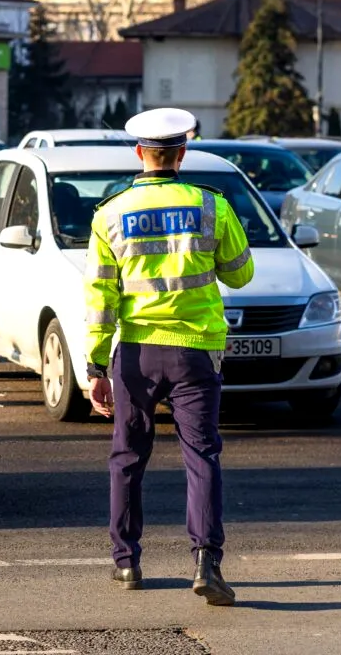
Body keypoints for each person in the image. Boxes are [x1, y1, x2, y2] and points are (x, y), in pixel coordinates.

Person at [84, 108, 254, 607]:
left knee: (128, 458)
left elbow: (100, 296)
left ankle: (127, 563)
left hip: (136, 354)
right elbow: (241, 274)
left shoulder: (109, 213)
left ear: (139, 153)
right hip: (196, 352)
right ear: (182, 153)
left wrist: (96, 367)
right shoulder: (211, 206)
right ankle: (206, 561)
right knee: (201, 456)